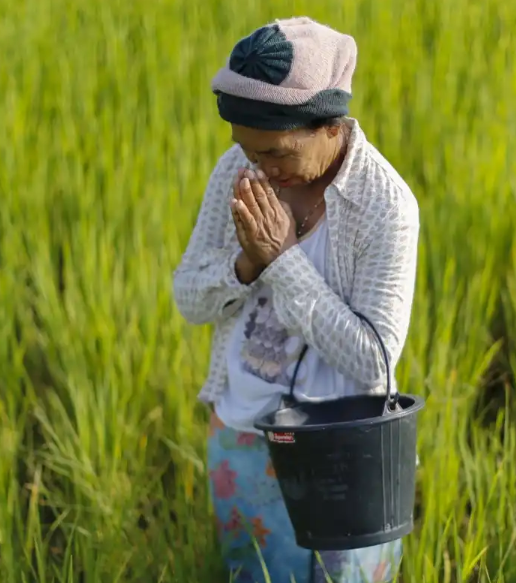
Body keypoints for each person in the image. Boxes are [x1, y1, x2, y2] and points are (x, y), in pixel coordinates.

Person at [172, 16, 420, 583]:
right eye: (247, 150)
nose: (260, 168)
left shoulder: (385, 207)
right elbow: (189, 297)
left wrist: (282, 263)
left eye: (277, 152)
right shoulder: (237, 170)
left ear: (331, 126)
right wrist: (246, 264)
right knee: (257, 575)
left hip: (345, 447)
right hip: (244, 431)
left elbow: (374, 359)